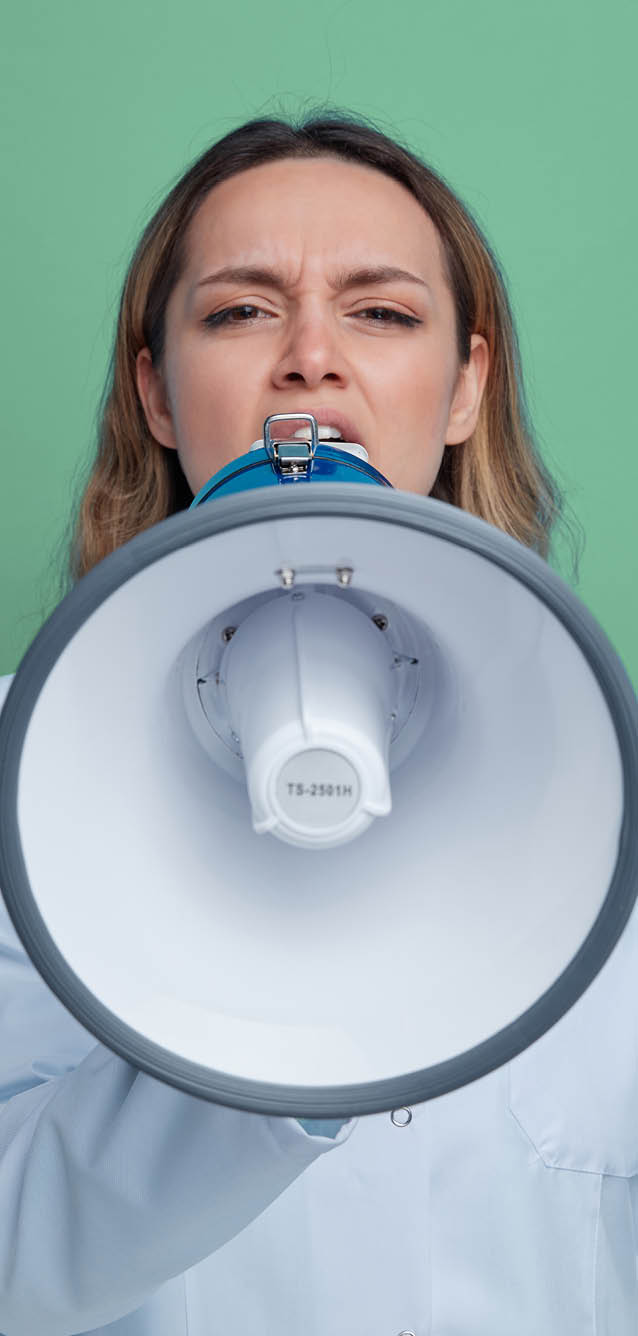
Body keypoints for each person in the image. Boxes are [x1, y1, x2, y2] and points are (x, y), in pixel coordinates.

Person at [0, 113, 635, 1336]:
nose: (309, 359)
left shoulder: (606, 780)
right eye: (240, 311)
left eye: (380, 313)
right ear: (157, 392)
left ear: (464, 387)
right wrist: (280, 1043)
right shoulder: (20, 769)